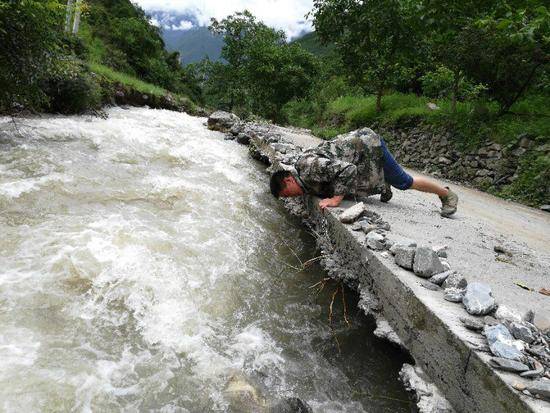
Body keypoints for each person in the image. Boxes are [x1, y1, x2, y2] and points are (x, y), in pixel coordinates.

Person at [269, 128, 458, 217]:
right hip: (358, 158)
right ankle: (382, 184)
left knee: (404, 181)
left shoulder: (309, 167)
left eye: (286, 194)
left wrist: (336, 200)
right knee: (341, 188)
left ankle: (447, 194)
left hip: (369, 147)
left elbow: (347, 169)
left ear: (288, 180)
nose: (290, 198)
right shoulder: (304, 178)